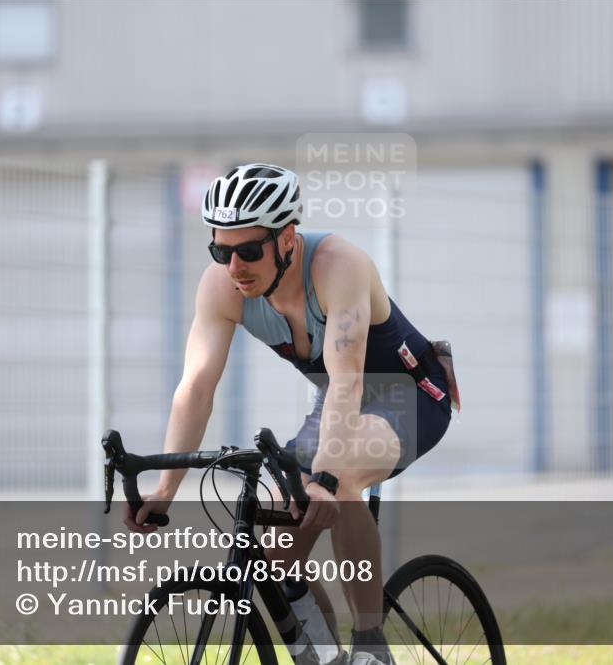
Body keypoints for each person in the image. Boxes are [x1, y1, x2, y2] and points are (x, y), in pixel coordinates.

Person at [124, 163, 457, 665]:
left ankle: (371, 645)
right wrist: (167, 488)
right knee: (277, 550)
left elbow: (347, 377)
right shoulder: (222, 288)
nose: (235, 265)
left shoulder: (338, 265)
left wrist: (323, 475)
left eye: (249, 250)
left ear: (287, 239)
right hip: (336, 403)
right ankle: (325, 658)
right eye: (221, 250)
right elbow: (195, 388)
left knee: (340, 477)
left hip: (406, 393)